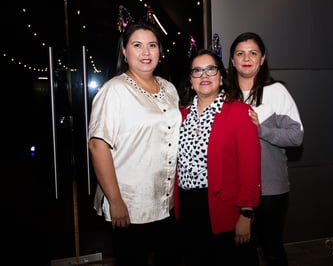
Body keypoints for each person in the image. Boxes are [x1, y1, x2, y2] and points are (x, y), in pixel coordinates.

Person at [88, 21, 181, 266]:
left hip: (164, 200)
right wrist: (115, 200)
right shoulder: (114, 90)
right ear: (124, 51)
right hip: (129, 203)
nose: (146, 52)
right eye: (137, 45)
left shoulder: (169, 89)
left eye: (152, 45)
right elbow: (98, 146)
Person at [174, 49, 262, 266]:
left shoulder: (239, 112)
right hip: (186, 207)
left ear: (221, 78)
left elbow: (250, 167)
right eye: (197, 71)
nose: (204, 75)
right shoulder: (180, 114)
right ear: (190, 80)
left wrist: (246, 214)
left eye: (211, 69)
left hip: (222, 209)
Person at [227, 32, 304, 266]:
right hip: (235, 189)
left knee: (272, 249)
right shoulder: (225, 97)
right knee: (241, 250)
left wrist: (261, 130)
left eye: (253, 53)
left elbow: (296, 136)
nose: (246, 58)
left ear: (262, 59)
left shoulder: (277, 91)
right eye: (240, 53)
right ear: (232, 61)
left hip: (270, 189)